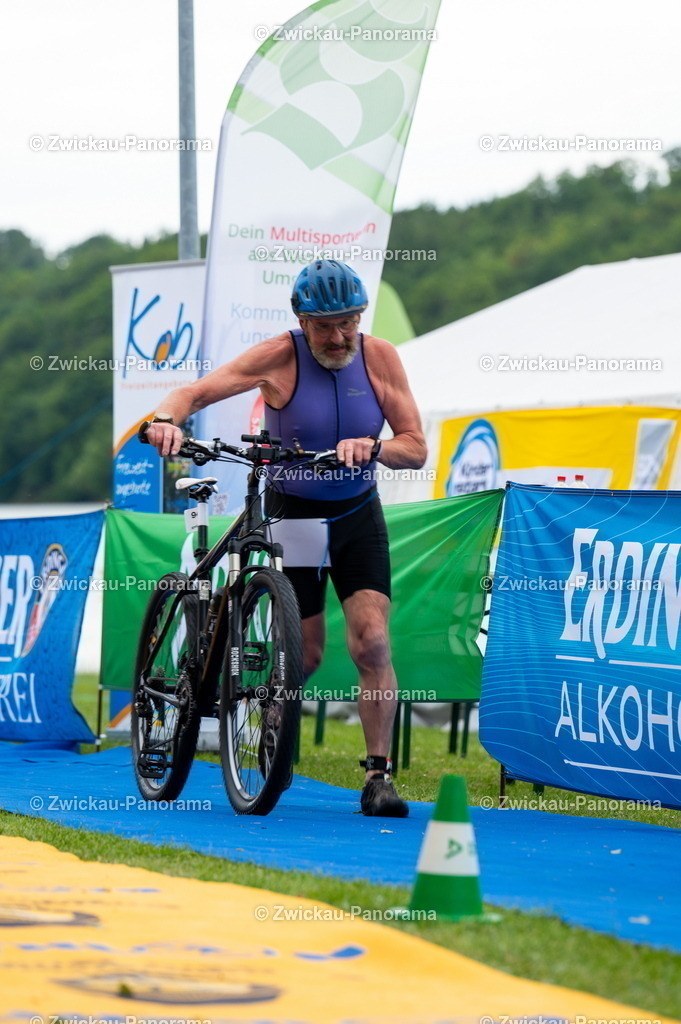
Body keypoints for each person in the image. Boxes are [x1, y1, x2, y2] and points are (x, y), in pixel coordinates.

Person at [145, 259, 427, 817]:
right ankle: (269, 731)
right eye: (325, 326)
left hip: (356, 512)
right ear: (302, 320)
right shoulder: (280, 355)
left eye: (348, 322)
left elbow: (415, 446)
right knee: (309, 653)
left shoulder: (379, 357)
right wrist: (165, 418)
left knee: (372, 641)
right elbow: (194, 393)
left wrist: (371, 448)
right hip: (295, 514)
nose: (339, 336)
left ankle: (377, 777)